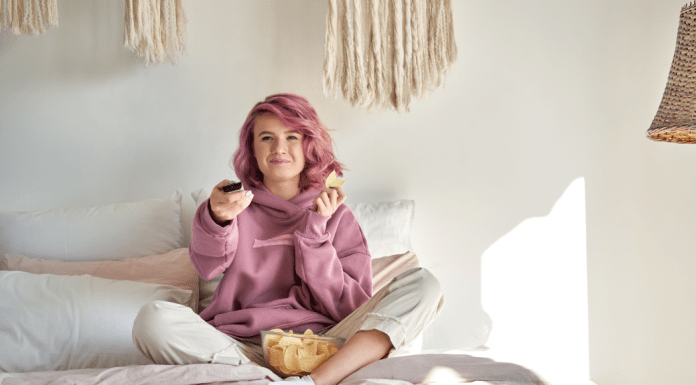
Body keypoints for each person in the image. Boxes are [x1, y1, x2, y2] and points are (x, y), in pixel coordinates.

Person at [132, 93, 444, 385]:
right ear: (252, 149)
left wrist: (314, 233)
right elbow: (207, 267)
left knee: (424, 284)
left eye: (291, 137)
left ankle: (313, 382)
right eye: (266, 138)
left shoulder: (337, 216)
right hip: (243, 349)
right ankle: (262, 379)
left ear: (308, 146)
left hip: (328, 346)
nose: (279, 148)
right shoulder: (233, 207)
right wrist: (216, 217)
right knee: (153, 319)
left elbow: (349, 306)